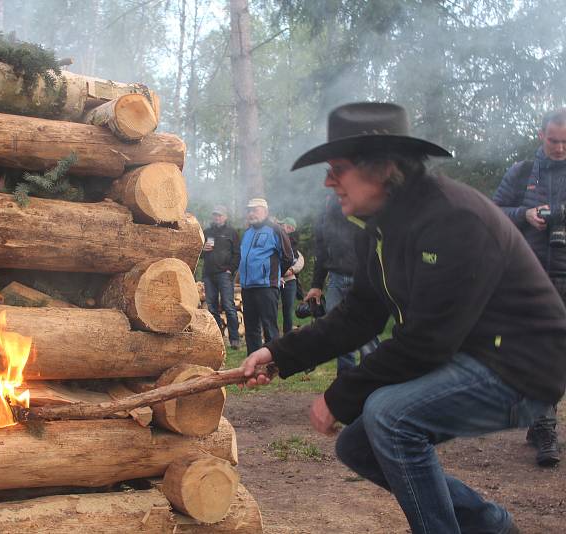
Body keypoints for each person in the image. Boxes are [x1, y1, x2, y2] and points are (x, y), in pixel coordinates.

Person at [240, 102, 566, 534]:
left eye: (338, 168)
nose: (328, 180)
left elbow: (429, 341)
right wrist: (278, 353)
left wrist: (341, 395)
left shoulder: (453, 218)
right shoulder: (379, 227)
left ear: (382, 167)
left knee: (389, 417)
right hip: (476, 357)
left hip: (526, 366)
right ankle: (489, 526)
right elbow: (360, 315)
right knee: (359, 446)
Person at [492, 108, 566, 468]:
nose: (560, 147)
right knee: (542, 354)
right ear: (541, 136)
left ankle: (538, 420)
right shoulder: (521, 172)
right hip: (530, 276)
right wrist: (525, 215)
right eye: (554, 140)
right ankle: (546, 427)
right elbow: (493, 213)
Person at [305, 195, 380, 373]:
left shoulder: (363, 204)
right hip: (336, 279)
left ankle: (373, 378)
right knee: (338, 330)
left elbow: (378, 242)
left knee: (366, 330)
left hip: (364, 277)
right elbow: (322, 251)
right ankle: (345, 378)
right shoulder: (325, 212)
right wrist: (316, 284)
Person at [238, 198, 293, 355]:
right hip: (247, 287)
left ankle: (273, 361)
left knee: (269, 327)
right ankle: (253, 363)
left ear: (265, 211)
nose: (251, 213)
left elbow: (288, 256)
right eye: (249, 210)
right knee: (251, 329)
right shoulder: (247, 233)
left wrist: (274, 274)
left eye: (255, 209)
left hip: (266, 287)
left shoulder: (275, 230)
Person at [202, 205, 241, 349]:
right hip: (208, 274)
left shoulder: (232, 233)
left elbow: (237, 254)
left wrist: (230, 270)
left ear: (225, 217)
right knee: (212, 308)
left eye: (219, 215)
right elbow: (199, 254)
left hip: (224, 275)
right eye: (215, 215)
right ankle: (217, 340)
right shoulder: (207, 232)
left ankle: (234, 339)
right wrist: (203, 249)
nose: (217, 217)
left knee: (229, 306)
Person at [277, 216, 305, 335]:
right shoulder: (276, 240)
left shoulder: (294, 245)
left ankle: (287, 335)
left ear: (290, 228)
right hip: (276, 279)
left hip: (290, 280)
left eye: (283, 225)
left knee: (287, 310)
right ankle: (273, 336)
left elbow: (300, 260)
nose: (281, 227)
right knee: (272, 309)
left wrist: (292, 270)